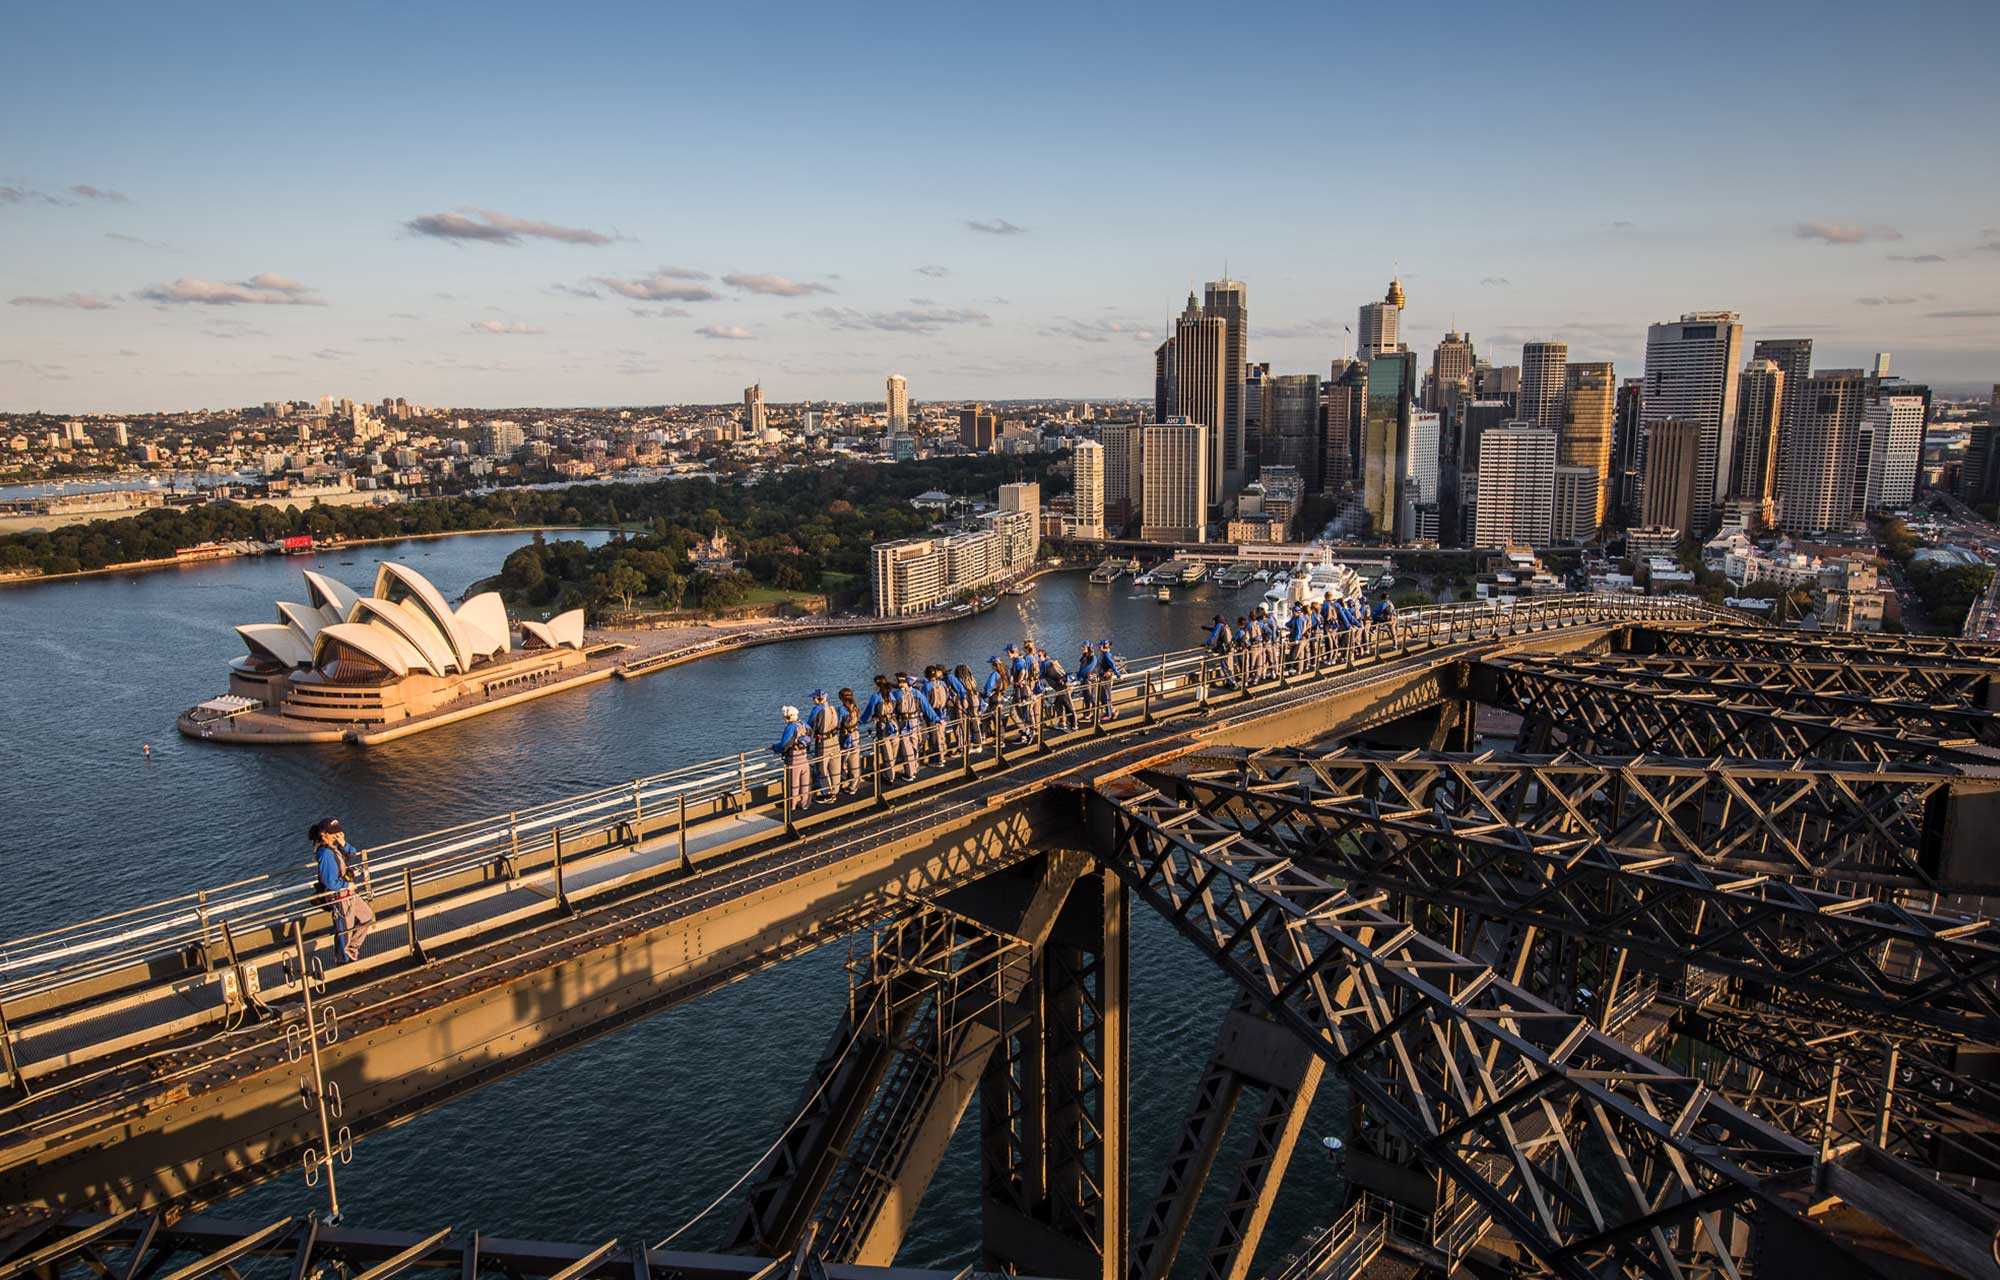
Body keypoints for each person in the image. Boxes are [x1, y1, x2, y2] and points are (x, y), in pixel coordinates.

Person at [313, 818, 375, 964]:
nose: (336, 835)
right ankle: (343, 960)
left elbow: (352, 854)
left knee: (366, 915)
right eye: (333, 833)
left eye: (338, 832)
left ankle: (352, 949)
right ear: (323, 834)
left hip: (349, 892)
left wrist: (343, 844)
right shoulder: (325, 853)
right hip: (340, 895)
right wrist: (346, 885)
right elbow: (330, 882)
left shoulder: (334, 848)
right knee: (344, 928)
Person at [769, 706, 811, 811]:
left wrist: (774, 747)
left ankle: (791, 805)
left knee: (793, 783)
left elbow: (784, 744)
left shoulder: (791, 727)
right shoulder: (803, 724)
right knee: (805, 782)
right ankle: (804, 804)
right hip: (804, 756)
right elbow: (811, 733)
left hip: (793, 758)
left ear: (788, 717)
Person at [860, 675, 901, 778]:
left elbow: (868, 711)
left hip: (883, 727)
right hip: (894, 725)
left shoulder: (876, 697)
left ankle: (889, 776)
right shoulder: (892, 696)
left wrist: (861, 721)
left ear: (876, 685)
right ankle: (891, 772)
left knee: (886, 752)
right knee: (894, 751)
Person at [805, 690, 839, 800]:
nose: (812, 700)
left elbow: (809, 726)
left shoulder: (817, 709)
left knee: (821, 768)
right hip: (835, 740)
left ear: (817, 698)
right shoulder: (832, 709)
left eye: (813, 698)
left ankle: (827, 794)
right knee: (835, 767)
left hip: (823, 742)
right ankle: (835, 790)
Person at [1039, 647, 1076, 731]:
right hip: (1063, 685)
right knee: (1060, 703)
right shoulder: (1051, 662)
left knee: (1066, 705)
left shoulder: (1045, 664)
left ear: (1044, 656)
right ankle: (1065, 723)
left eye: (1039, 656)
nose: (1038, 658)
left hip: (1062, 686)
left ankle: (1072, 725)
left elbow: (1040, 676)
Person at [923, 666, 954, 763]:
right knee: (941, 734)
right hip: (943, 712)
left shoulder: (926, 687)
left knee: (934, 737)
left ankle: (938, 759)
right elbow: (948, 696)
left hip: (933, 714)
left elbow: (924, 703)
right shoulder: (943, 684)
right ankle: (943, 753)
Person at [835, 688, 862, 795]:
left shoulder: (841, 709)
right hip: (855, 734)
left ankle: (843, 779)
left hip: (845, 736)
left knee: (842, 760)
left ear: (841, 698)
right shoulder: (855, 708)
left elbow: (837, 724)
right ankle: (854, 786)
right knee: (854, 761)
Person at [951, 662, 983, 749]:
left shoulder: (960, 682)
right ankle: (977, 743)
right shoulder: (972, 680)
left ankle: (965, 747)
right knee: (974, 722)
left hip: (966, 703)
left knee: (964, 725)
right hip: (975, 702)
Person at [1095, 639, 1122, 718]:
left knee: (1107, 696)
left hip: (1106, 677)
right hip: (1102, 676)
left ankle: (1110, 714)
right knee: (1102, 696)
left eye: (1100, 646)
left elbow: (1112, 665)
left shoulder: (1106, 654)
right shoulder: (1103, 654)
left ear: (1104, 646)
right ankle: (1109, 711)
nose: (1099, 648)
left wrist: (1118, 674)